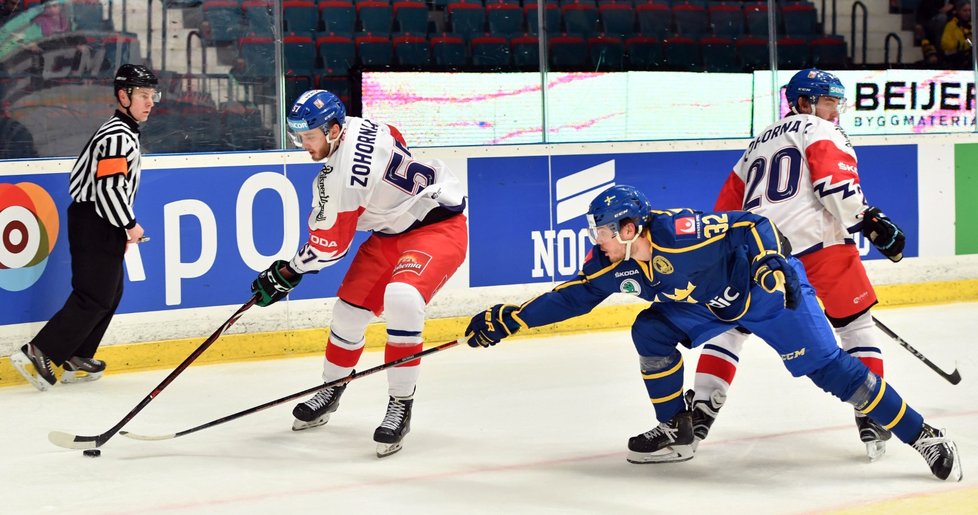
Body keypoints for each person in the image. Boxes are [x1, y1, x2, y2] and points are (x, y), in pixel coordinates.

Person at [464, 184, 961, 482]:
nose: (598, 239)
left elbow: (752, 223)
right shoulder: (612, 264)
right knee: (650, 331)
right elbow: (569, 297)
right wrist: (509, 319)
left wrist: (769, 260)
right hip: (710, 308)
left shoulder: (680, 232)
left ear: (632, 227)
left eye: (604, 230)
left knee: (836, 372)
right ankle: (676, 429)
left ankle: (927, 436)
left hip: (770, 296)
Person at [689, 69, 907, 461]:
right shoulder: (821, 130)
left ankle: (702, 406)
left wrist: (727, 256)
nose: (834, 112)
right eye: (828, 102)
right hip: (819, 245)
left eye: (836, 103)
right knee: (855, 324)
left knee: (732, 328)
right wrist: (869, 221)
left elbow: (726, 209)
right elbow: (834, 185)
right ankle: (872, 412)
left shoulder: (756, 144)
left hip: (758, 253)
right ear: (804, 102)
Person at [249, 89, 467, 457]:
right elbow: (397, 136)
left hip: (437, 231)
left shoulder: (341, 179)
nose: (303, 144)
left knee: (402, 298)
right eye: (299, 136)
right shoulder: (364, 125)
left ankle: (401, 404)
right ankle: (332, 389)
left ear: (333, 130)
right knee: (348, 312)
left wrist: (287, 272)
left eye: (309, 136)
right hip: (391, 234)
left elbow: (329, 249)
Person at [11, 64, 158, 391]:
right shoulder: (118, 135)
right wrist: (129, 224)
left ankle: (77, 354)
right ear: (124, 95)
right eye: (144, 95)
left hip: (98, 218)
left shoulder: (123, 130)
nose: (150, 102)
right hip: (97, 219)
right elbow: (108, 189)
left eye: (153, 96)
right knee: (94, 294)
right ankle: (40, 351)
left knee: (110, 291)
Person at [941, 1, 973, 68]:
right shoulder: (951, 25)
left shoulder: (971, 25)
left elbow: (971, 43)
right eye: (965, 11)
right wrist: (965, 44)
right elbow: (946, 45)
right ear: (958, 11)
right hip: (956, 60)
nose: (968, 13)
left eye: (969, 11)